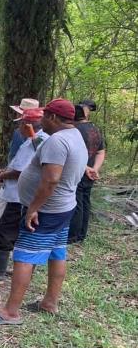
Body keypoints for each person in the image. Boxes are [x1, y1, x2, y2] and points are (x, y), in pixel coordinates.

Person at [0, 99, 87, 325]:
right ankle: (50, 302)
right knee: (57, 252)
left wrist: (33, 208)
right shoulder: (75, 135)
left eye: (45, 116)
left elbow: (51, 180)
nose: (41, 120)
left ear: (54, 118)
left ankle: (10, 312)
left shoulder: (57, 142)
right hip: (64, 207)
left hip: (47, 209)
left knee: (23, 256)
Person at [0, 108, 48, 282]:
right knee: (23, 233)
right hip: (26, 196)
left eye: (21, 123)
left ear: (27, 124)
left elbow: (20, 171)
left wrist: (2, 175)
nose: (19, 127)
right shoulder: (38, 140)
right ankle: (22, 270)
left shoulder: (35, 141)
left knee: (4, 232)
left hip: (18, 197)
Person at [0, 98, 41, 222]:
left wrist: (4, 174)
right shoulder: (42, 136)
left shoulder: (23, 134)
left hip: (15, 187)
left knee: (5, 221)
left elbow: (17, 161)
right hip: (26, 188)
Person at [68, 99, 106, 244]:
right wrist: (94, 169)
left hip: (79, 171)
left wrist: (86, 168)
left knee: (76, 203)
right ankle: (81, 234)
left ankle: (72, 236)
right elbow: (101, 152)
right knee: (84, 201)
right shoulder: (95, 129)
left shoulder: (74, 131)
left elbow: (72, 153)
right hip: (90, 172)